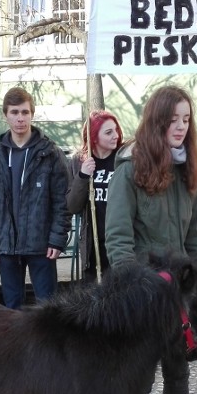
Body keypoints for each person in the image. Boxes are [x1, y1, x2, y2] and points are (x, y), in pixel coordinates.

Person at [104, 84, 197, 394]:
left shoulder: (189, 173)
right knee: (139, 380)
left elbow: (196, 239)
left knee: (178, 374)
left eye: (187, 119)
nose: (181, 127)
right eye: (174, 119)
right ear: (157, 121)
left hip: (180, 298)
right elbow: (117, 241)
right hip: (144, 297)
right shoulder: (129, 172)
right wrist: (142, 291)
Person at [0, 87, 70, 308]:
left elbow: (61, 201)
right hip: (7, 246)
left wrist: (57, 239)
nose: (20, 118)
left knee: (48, 309)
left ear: (32, 114)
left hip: (41, 245)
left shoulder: (49, 153)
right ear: (5, 115)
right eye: (15, 112)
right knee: (11, 309)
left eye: (25, 112)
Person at [66, 110, 123, 282]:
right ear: (94, 137)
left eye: (116, 130)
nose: (116, 135)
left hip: (120, 239)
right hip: (94, 242)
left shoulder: (123, 159)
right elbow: (72, 206)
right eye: (108, 132)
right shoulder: (79, 161)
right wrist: (83, 176)